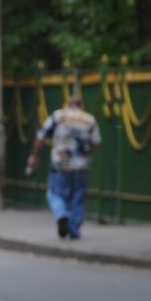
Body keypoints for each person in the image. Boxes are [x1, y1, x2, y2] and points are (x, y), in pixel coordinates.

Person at [26, 93, 101, 240]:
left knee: (55, 193)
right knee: (77, 198)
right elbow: (96, 142)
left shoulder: (58, 116)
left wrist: (34, 156)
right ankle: (74, 231)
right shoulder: (89, 119)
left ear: (68, 104)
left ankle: (61, 215)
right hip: (82, 167)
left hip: (60, 164)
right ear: (81, 105)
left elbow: (41, 137)